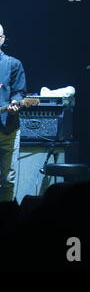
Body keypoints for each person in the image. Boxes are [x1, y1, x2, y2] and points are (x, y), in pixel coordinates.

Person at [0, 24, 27, 202]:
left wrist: (15, 103)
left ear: (2, 39)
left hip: (7, 127)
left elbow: (19, 92)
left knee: (8, 178)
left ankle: (6, 219)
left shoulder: (13, 64)